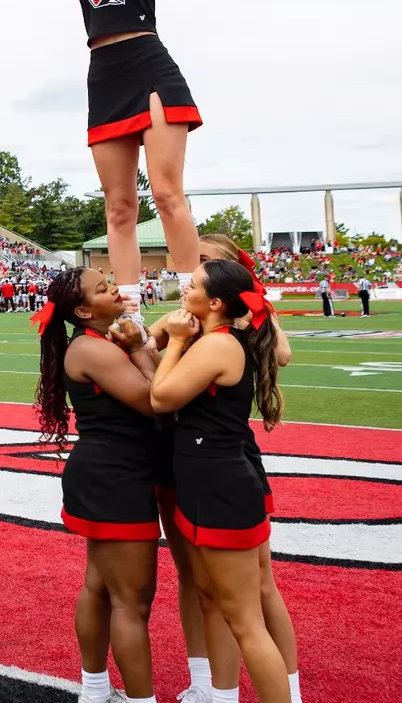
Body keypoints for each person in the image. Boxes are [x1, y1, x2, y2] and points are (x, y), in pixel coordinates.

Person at [0, 0, 219, 320]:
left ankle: (194, 301)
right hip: (104, 76)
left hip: (149, 67)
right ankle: (130, 310)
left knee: (166, 193)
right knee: (118, 206)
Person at [151, 260, 293, 703]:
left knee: (246, 622)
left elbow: (161, 396)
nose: (183, 289)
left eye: (192, 285)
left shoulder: (218, 344)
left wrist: (176, 341)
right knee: (213, 601)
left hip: (221, 487)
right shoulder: (216, 338)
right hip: (206, 481)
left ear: (214, 303)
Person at [33, 266, 161, 703]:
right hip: (115, 479)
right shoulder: (91, 348)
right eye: (104, 289)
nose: (116, 290)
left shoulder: (98, 341)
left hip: (110, 473)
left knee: (102, 587)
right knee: (132, 601)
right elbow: (155, 400)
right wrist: (142, 349)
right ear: (85, 311)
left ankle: (94, 690)